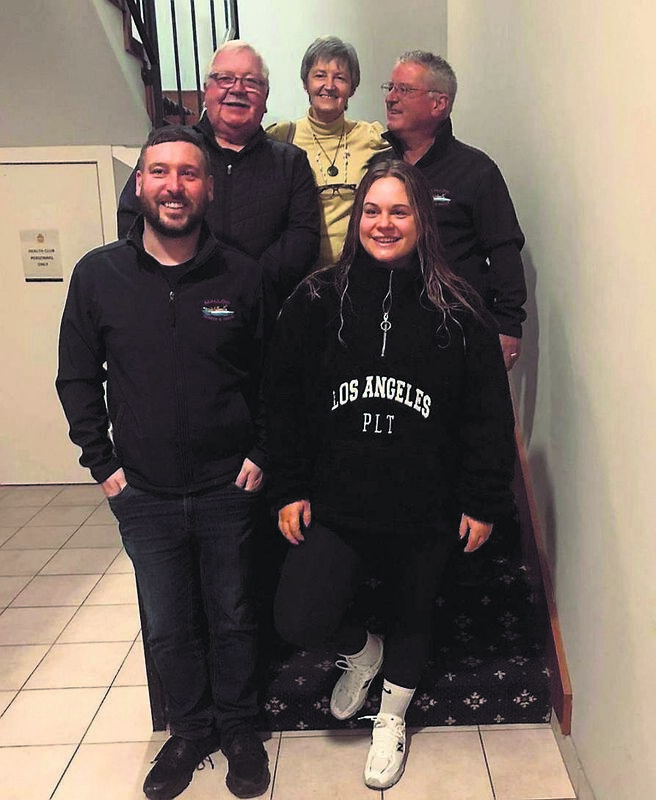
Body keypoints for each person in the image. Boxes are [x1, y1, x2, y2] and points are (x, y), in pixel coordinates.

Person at [265, 159, 516, 789]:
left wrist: (483, 499)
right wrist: (290, 484)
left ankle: (392, 717)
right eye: (372, 211)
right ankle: (362, 651)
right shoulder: (316, 298)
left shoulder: (461, 308)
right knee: (299, 615)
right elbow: (283, 400)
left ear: (422, 220)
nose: (384, 223)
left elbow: (489, 414)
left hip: (427, 502)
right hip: (339, 499)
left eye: (399, 211)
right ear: (356, 221)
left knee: (413, 610)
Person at [56, 126, 270, 800]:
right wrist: (103, 464)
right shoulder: (99, 275)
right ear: (140, 185)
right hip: (143, 492)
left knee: (233, 613)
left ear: (206, 188)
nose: (173, 186)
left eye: (187, 173)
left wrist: (262, 453)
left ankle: (238, 728)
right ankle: (189, 731)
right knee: (169, 621)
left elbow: (275, 378)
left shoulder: (243, 275)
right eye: (159, 173)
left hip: (227, 487)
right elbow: (76, 378)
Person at [118, 40, 320, 308]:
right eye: (225, 78)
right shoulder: (168, 147)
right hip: (175, 306)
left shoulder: (291, 162)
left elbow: (303, 238)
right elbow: (132, 217)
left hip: (262, 313)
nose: (237, 89)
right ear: (206, 91)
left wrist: (249, 283)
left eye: (251, 82)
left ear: (266, 98)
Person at [379, 50, 527, 370]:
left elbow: (504, 250)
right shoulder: (378, 167)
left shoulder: (476, 171)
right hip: (387, 331)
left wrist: (508, 325)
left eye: (404, 89)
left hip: (457, 334)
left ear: (439, 104)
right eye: (390, 88)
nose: (391, 98)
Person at [267, 35, 390, 267]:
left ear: (352, 88)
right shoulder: (282, 137)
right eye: (320, 75)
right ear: (305, 83)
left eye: (340, 78)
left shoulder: (371, 137)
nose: (329, 86)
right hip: (299, 275)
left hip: (357, 271)